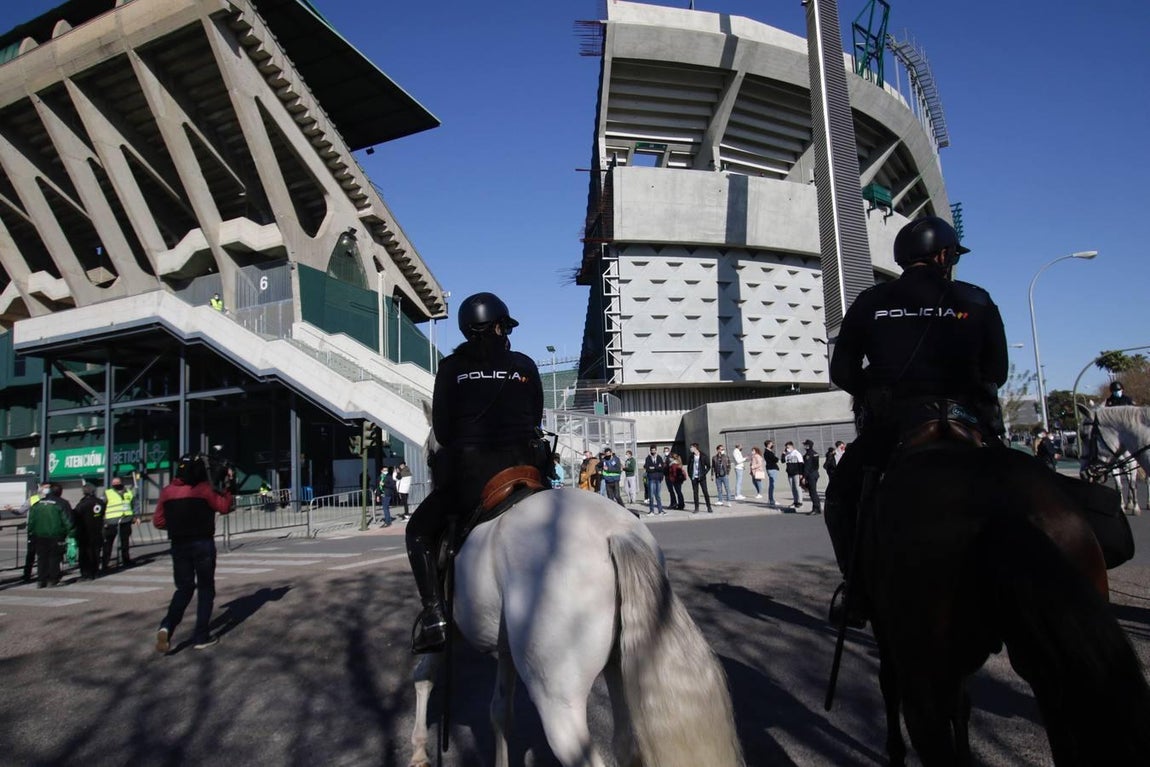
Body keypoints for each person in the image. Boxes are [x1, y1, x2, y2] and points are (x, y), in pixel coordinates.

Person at [824, 216, 1007, 628]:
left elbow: (843, 370)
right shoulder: (977, 300)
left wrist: (872, 388)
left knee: (839, 499)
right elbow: (998, 370)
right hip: (967, 418)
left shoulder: (871, 301)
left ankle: (856, 590)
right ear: (943, 256)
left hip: (897, 424)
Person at [406, 292, 545, 654]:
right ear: (498, 326)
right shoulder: (526, 365)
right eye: (504, 326)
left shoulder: (451, 368)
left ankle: (435, 616)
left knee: (417, 532)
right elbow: (536, 418)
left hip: (473, 478)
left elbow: (444, 432)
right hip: (528, 470)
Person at [153, 453, 235, 652]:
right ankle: (201, 635)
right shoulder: (203, 490)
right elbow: (224, 507)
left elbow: (158, 521)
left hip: (179, 545)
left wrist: (176, 525)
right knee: (206, 588)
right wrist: (228, 486)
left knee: (184, 588)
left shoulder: (167, 492)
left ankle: (167, 626)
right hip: (202, 543)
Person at [27, 483, 72, 588]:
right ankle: (52, 579)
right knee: (55, 557)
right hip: (56, 535)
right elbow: (67, 520)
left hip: (40, 535)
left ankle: (41, 579)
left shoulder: (38, 504)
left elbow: (31, 521)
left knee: (42, 558)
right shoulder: (62, 503)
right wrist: (71, 533)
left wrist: (31, 533)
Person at [72, 483, 105, 580]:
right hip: (98, 530)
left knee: (84, 554)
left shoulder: (83, 504)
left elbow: (76, 515)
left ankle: (86, 573)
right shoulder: (100, 502)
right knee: (96, 552)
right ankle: (95, 571)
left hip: (85, 532)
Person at [101, 476, 136, 570]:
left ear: (122, 483)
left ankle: (126, 560)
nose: (116, 484)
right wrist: (103, 520)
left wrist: (134, 517)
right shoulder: (108, 493)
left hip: (125, 520)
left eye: (117, 482)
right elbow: (102, 507)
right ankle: (105, 564)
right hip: (111, 522)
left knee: (125, 542)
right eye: (114, 483)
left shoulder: (129, 492)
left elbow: (132, 505)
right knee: (108, 543)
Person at [20, 483, 47, 583]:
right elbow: (21, 510)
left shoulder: (51, 499)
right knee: (31, 554)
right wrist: (12, 510)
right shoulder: (33, 499)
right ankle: (27, 575)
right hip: (34, 531)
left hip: (45, 531)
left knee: (42, 554)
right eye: (44, 487)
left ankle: (42, 574)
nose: (46, 489)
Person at [687, 443, 714, 513]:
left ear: (695, 448)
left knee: (705, 492)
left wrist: (703, 473)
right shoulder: (691, 457)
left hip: (702, 477)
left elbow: (708, 466)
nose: (690, 449)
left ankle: (709, 507)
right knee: (695, 493)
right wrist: (690, 475)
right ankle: (696, 508)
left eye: (691, 447)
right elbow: (689, 467)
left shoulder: (703, 456)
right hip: (694, 477)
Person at [643, 445, 665, 514]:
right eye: (652, 450)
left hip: (658, 478)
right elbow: (648, 468)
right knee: (651, 496)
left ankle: (660, 510)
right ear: (650, 451)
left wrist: (653, 467)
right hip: (651, 478)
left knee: (658, 495)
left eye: (654, 450)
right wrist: (656, 467)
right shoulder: (648, 458)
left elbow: (661, 468)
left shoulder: (659, 458)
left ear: (656, 450)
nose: (653, 451)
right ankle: (651, 511)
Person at [802, 439, 822, 515]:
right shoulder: (815, 453)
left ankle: (816, 509)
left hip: (810, 475)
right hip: (815, 473)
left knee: (812, 492)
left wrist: (804, 477)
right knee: (814, 492)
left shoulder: (808, 455)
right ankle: (817, 508)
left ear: (808, 446)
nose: (804, 446)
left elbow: (807, 466)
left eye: (805, 445)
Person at [783, 442, 804, 509]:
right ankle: (795, 501)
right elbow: (783, 461)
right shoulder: (787, 454)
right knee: (793, 488)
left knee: (797, 487)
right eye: (786, 447)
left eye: (788, 447)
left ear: (792, 446)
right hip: (790, 473)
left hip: (796, 473)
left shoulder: (797, 453)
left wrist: (801, 473)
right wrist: (783, 454)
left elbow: (801, 464)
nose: (787, 448)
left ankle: (800, 502)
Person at [763, 440, 780, 507]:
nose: (773, 445)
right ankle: (771, 500)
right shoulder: (768, 452)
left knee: (771, 485)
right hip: (772, 469)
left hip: (771, 468)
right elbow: (775, 459)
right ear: (768, 445)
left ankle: (770, 499)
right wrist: (776, 458)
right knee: (772, 485)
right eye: (771, 444)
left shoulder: (768, 452)